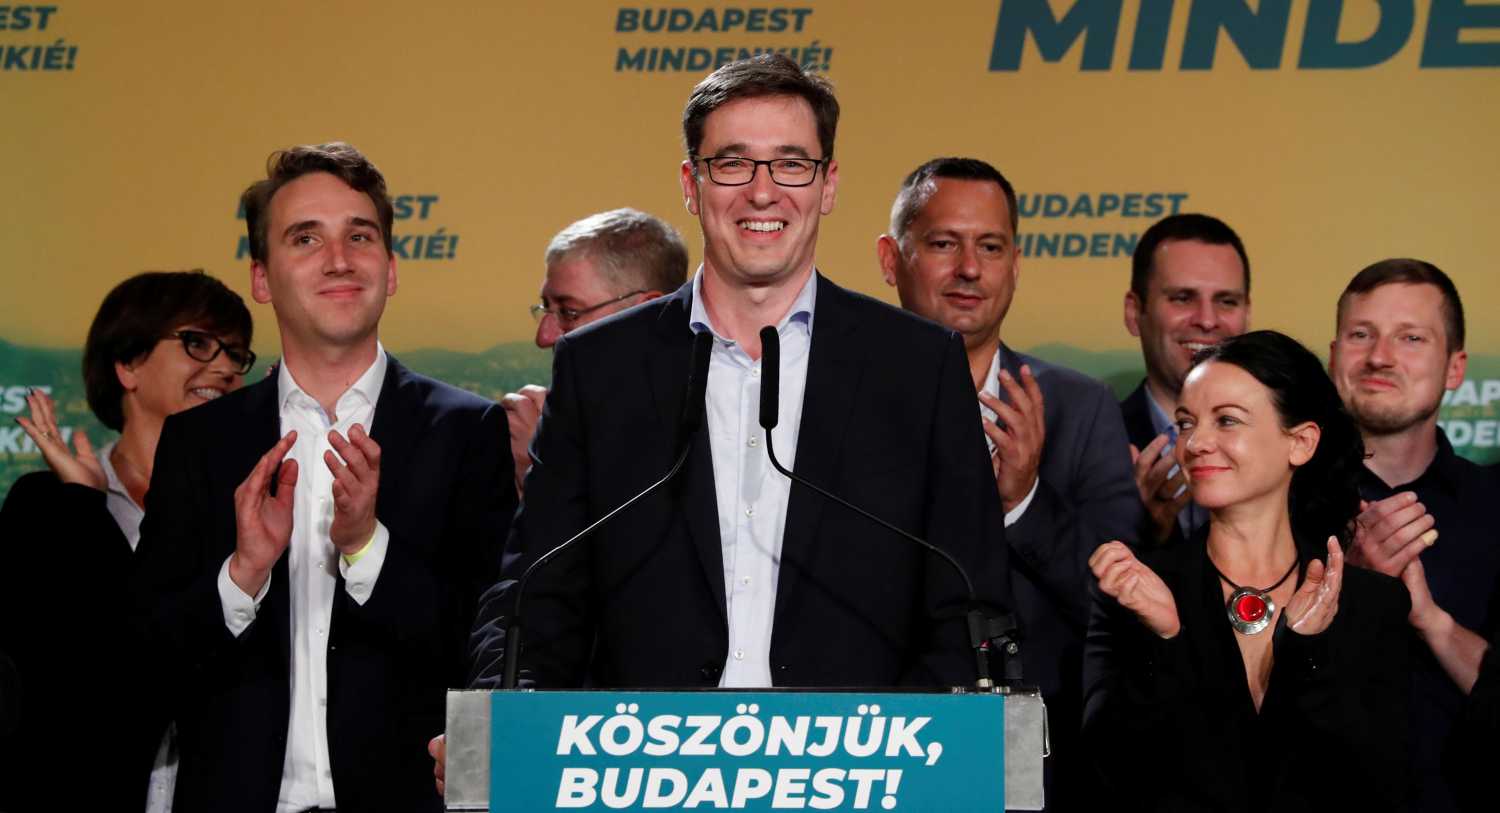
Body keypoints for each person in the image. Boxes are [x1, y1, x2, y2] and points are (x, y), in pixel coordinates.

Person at [466, 54, 1009, 689]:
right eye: (732, 163)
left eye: (790, 163)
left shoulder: (918, 367)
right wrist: (501, 721)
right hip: (648, 766)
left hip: (857, 769)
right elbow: (536, 596)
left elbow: (968, 608)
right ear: (692, 185)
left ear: (827, 184)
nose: (762, 191)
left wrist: (917, 759)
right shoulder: (600, 367)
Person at [132, 143, 515, 813]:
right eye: (305, 238)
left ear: (391, 270)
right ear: (261, 277)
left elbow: (490, 657)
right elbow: (143, 671)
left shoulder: (466, 431)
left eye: (359, 237)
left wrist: (367, 546)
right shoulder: (199, 441)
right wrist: (243, 572)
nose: (339, 259)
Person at [877, 156, 1140, 810]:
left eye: (990, 247)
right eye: (944, 244)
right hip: (882, 748)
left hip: (1042, 761)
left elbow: (1120, 604)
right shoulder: (838, 407)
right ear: (891, 259)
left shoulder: (1082, 408)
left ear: (1015, 265)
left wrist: (1023, 500)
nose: (970, 268)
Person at [1083, 331, 1411, 811]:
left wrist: (1305, 652)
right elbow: (1110, 777)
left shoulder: (1371, 605)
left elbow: (1377, 786)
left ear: (1300, 443)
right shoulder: (1137, 593)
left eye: (1227, 421)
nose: (1196, 443)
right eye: (1186, 422)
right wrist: (1165, 641)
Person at [0, 270, 254, 812]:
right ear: (128, 364)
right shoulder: (49, 508)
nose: (226, 366)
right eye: (198, 343)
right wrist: (85, 509)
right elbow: (76, 682)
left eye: (236, 353)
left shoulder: (254, 515)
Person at [1327, 258, 1500, 812]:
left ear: (1454, 368)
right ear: (1333, 357)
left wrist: (1434, 624)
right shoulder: (1270, 506)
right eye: (1361, 335)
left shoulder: (1496, 508)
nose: (1380, 357)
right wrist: (1352, 593)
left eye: (1411, 338)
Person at [504, 208, 688, 494]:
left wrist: (537, 464)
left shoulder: (701, 430)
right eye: (546, 308)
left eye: (569, 311)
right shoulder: (546, 420)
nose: (544, 336)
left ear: (648, 311)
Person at [1120, 214, 1250, 547]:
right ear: (1135, 313)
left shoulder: (1289, 446)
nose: (1207, 320)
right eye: (1182, 298)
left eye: (1226, 301)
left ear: (1247, 315)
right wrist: (1136, 531)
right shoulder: (1092, 446)